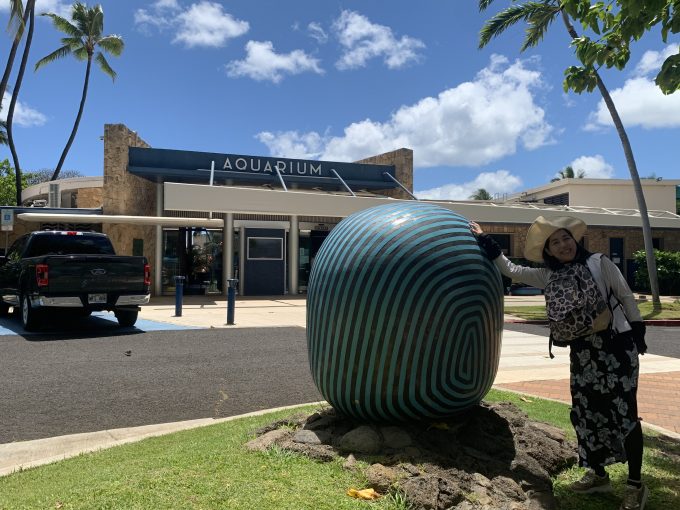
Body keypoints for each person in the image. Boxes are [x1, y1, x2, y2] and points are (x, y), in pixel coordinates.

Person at [470, 216, 648, 510]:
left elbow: (626, 296)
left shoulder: (599, 262)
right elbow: (510, 269)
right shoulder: (548, 276)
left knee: (625, 415)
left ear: (574, 240)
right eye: (555, 242)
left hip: (616, 347)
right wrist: (485, 239)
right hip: (583, 353)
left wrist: (638, 332)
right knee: (588, 412)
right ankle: (599, 474)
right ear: (548, 251)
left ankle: (635, 485)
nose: (563, 245)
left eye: (566, 238)